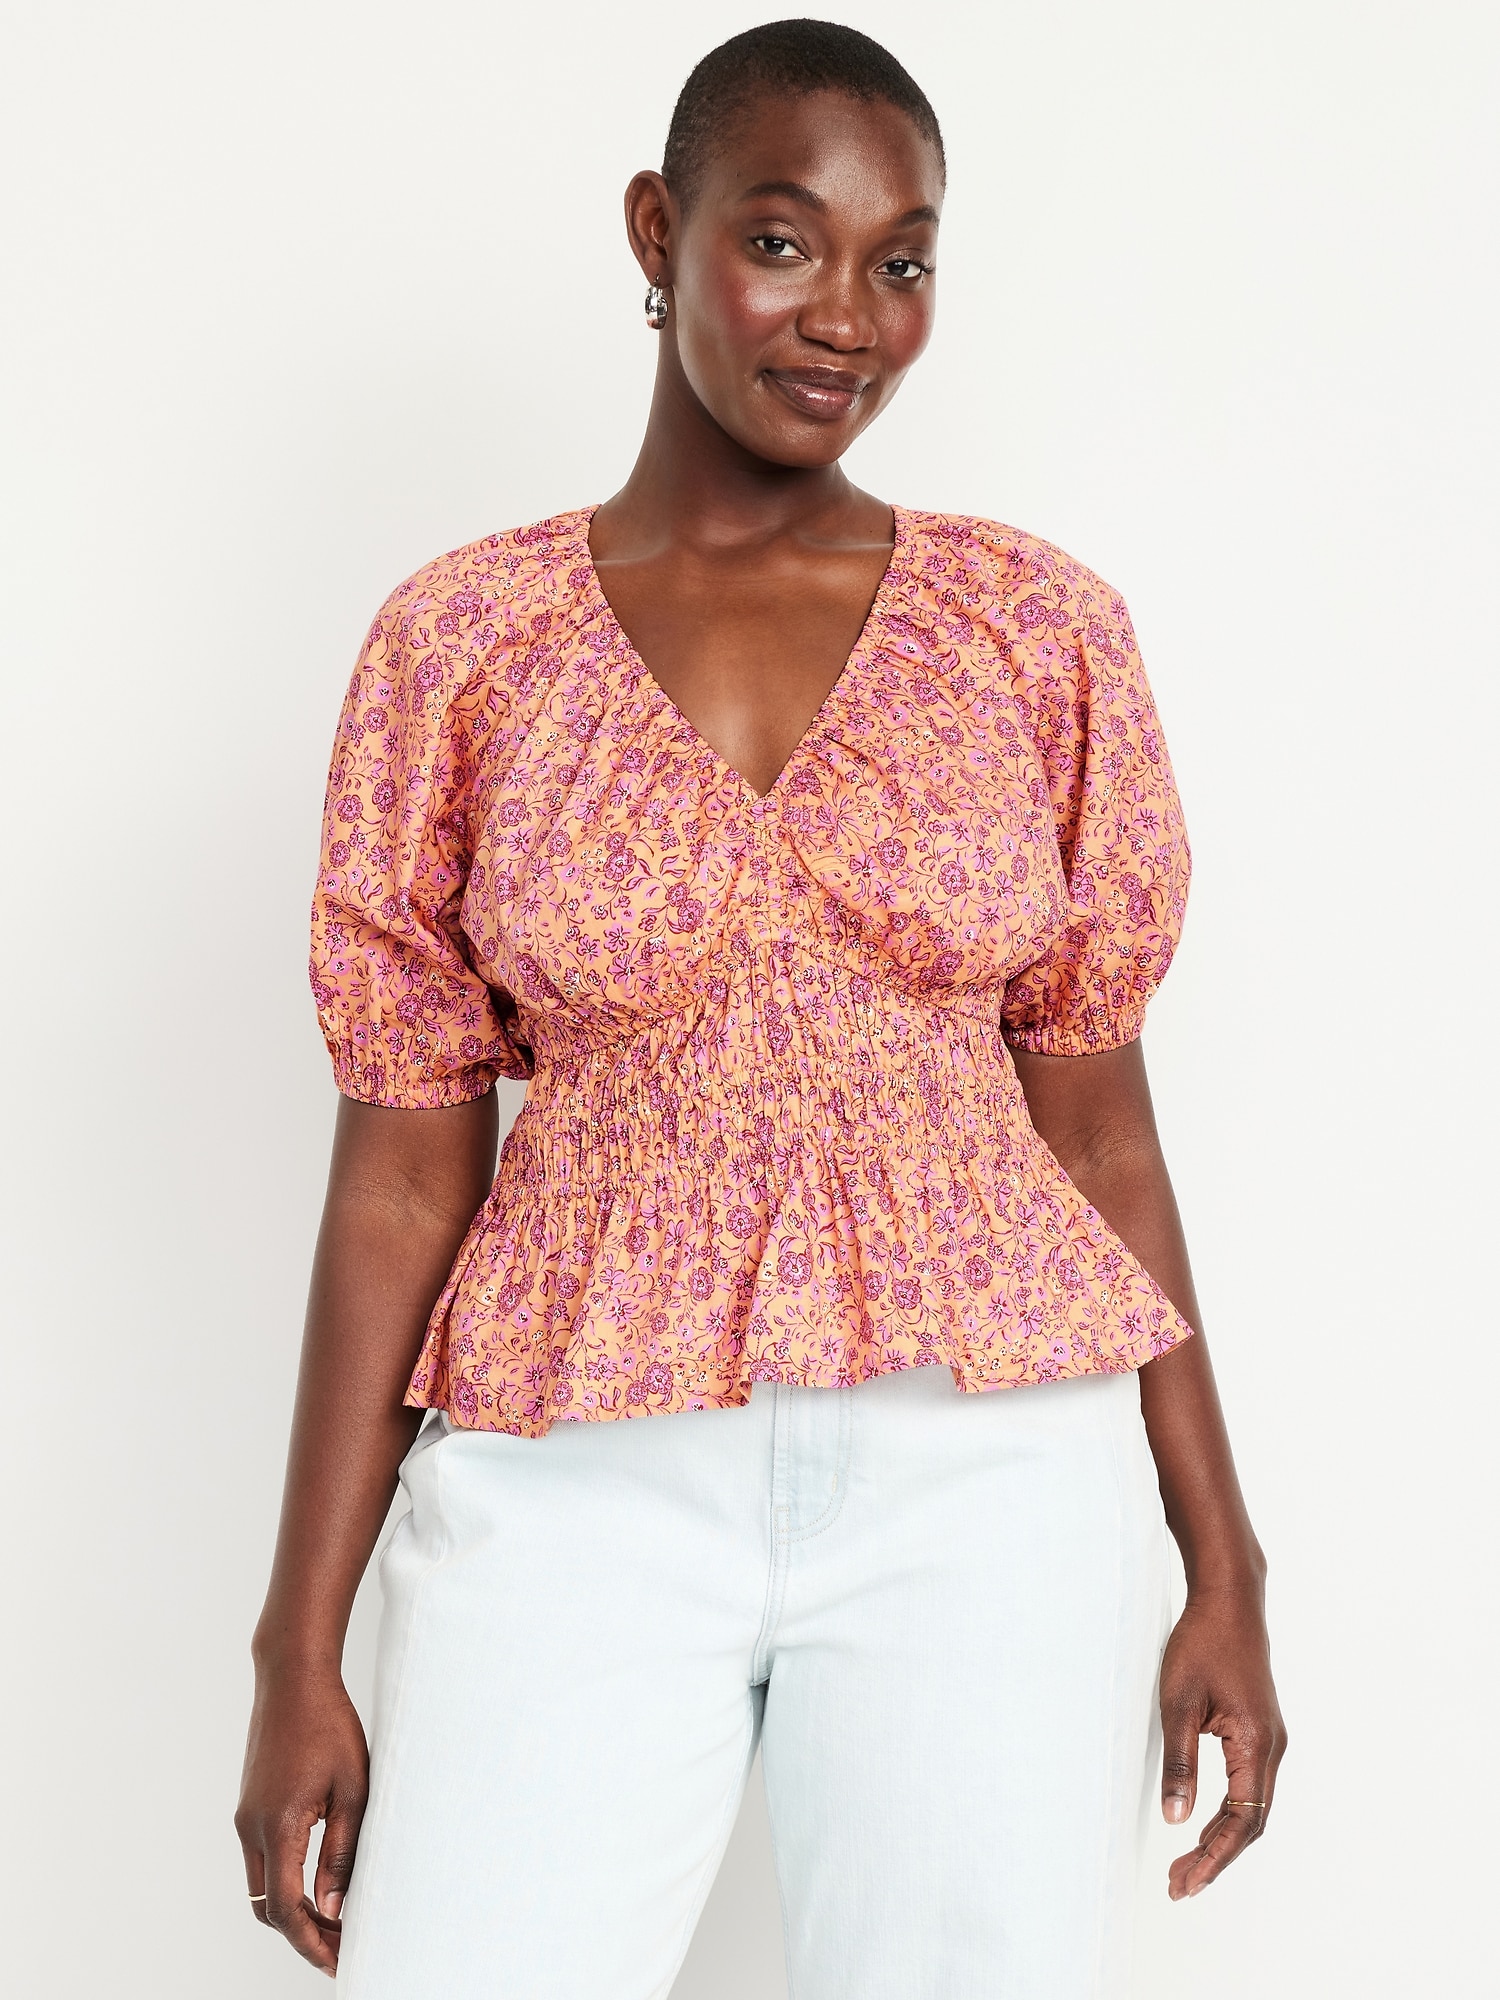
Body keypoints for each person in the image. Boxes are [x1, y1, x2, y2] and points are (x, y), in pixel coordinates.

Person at [236, 20, 1285, 1997]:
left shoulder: (1036, 629)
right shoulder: (461, 645)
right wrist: (299, 1645)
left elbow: (1099, 1136)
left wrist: (1220, 1560)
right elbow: (399, 1179)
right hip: (572, 1466)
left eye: (906, 260)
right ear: (662, 227)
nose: (850, 318)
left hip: (992, 1468)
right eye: (784, 242)